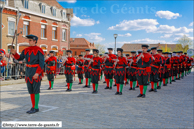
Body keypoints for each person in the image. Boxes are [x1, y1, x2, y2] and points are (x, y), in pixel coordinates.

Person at [11, 34, 44, 114]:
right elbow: (20, 58)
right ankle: (33, 106)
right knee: (31, 90)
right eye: (28, 40)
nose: (29, 41)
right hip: (28, 71)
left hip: (35, 70)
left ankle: (36, 107)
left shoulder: (39, 50)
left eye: (30, 40)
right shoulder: (26, 50)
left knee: (36, 90)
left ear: (35, 41)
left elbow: (42, 63)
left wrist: (37, 73)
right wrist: (15, 53)